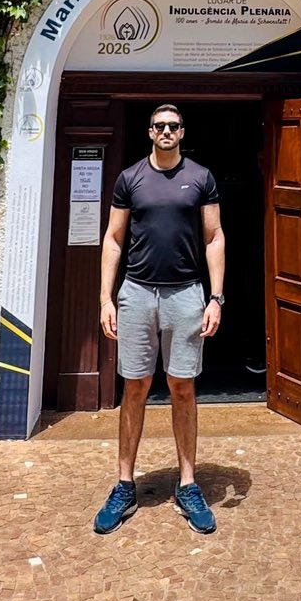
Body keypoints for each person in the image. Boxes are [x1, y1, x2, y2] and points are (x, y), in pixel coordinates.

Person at [93, 102, 225, 535]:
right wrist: (106, 298)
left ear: (182, 132)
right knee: (135, 386)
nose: (166, 131)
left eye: (173, 126)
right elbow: (114, 239)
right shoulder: (129, 178)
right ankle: (124, 485)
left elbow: (214, 237)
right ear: (150, 132)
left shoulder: (201, 177)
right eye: (159, 126)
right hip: (136, 293)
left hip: (186, 294)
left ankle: (187, 484)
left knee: (183, 387)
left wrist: (216, 298)